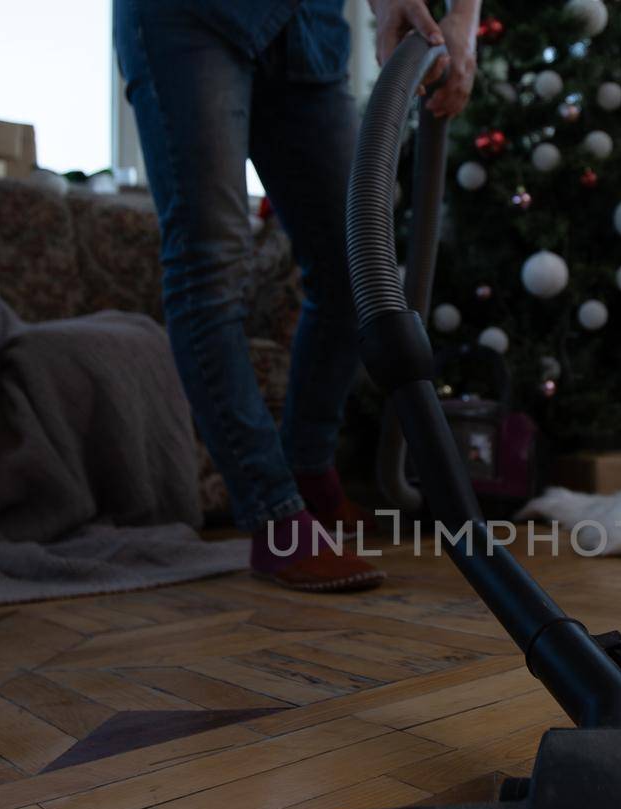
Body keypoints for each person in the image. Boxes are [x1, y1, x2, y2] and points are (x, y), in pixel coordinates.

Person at [114, 0, 480, 592]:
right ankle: (275, 515)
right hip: (187, 19)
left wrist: (461, 21)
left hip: (305, 23)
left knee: (353, 264)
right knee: (208, 263)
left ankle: (310, 475)